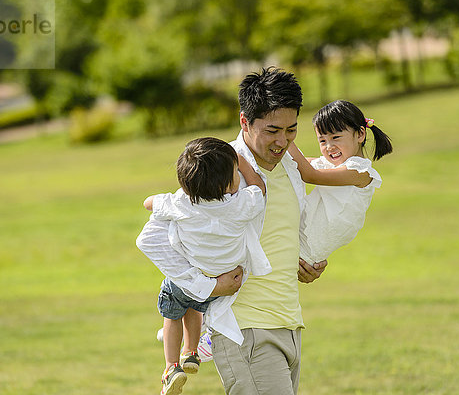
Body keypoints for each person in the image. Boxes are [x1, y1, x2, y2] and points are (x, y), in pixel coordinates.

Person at [137, 67, 328, 395]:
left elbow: (272, 234)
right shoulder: (217, 170)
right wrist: (205, 286)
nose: (282, 141)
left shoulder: (290, 166)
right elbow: (153, 238)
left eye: (291, 130)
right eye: (272, 131)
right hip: (244, 329)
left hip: (288, 320)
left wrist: (301, 260)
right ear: (245, 122)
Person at [142, 137, 272, 395]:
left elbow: (149, 203)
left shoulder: (182, 204)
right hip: (219, 280)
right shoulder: (239, 206)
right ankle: (191, 352)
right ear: (229, 184)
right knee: (194, 308)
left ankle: (171, 367)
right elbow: (259, 188)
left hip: (190, 281)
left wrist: (171, 198)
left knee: (172, 315)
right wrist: (242, 161)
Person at [289, 99, 393, 266]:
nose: (329, 146)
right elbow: (297, 163)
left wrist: (284, 137)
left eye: (335, 137)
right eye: (322, 141)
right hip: (300, 240)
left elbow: (310, 175)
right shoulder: (332, 165)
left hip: (307, 248)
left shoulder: (359, 171)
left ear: (360, 134)